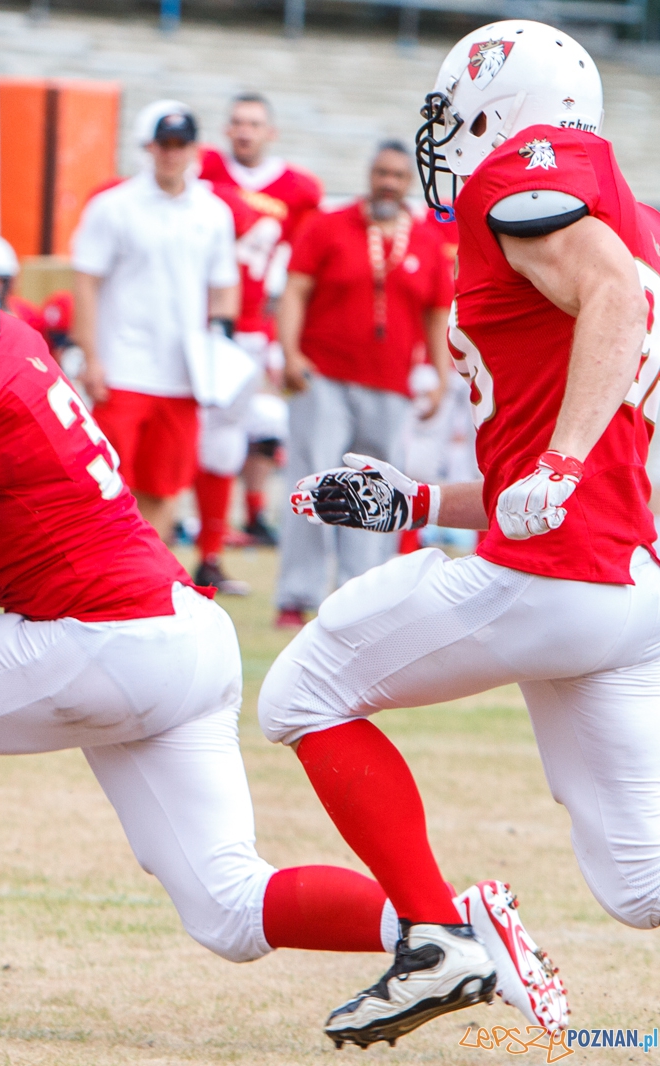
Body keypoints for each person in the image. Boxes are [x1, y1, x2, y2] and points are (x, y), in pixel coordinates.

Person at [0, 220, 558, 1037]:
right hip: (184, 633)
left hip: (108, 637)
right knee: (228, 908)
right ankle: (448, 927)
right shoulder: (5, 340)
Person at [263, 20, 656, 1049]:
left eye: (454, 116)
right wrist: (419, 502)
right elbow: (557, 464)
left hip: (554, 578)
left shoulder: (526, 177)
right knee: (641, 882)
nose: (445, 140)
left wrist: (561, 461)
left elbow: (611, 299)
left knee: (301, 692)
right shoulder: (630, 214)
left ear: (498, 106)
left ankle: (438, 936)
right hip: (623, 586)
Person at [272, 142, 451, 628]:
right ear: (369, 175)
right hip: (324, 375)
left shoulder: (426, 242)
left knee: (379, 491)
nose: (388, 183)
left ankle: (362, 596)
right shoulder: (328, 225)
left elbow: (437, 315)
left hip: (391, 384)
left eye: (398, 175)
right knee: (312, 479)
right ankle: (297, 594)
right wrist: (290, 353)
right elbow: (295, 291)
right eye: (381, 173)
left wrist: (439, 377)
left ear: (409, 183)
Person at [71, 102, 239, 545]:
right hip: (123, 365)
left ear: (194, 149)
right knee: (108, 482)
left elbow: (224, 287)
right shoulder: (115, 206)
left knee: (164, 486)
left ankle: (148, 572)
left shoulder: (213, 212)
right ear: (150, 147)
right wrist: (91, 356)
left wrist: (219, 352)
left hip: (182, 372)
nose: (172, 153)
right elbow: (85, 281)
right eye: (165, 144)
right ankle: (106, 569)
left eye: (180, 144)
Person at [197, 94, 322, 565]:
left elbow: (298, 269)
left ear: (270, 132)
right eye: (237, 122)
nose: (245, 131)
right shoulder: (204, 167)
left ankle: (228, 534)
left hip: (248, 326)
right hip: (195, 319)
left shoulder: (297, 189)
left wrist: (280, 333)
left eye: (254, 123)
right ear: (226, 129)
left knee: (240, 430)